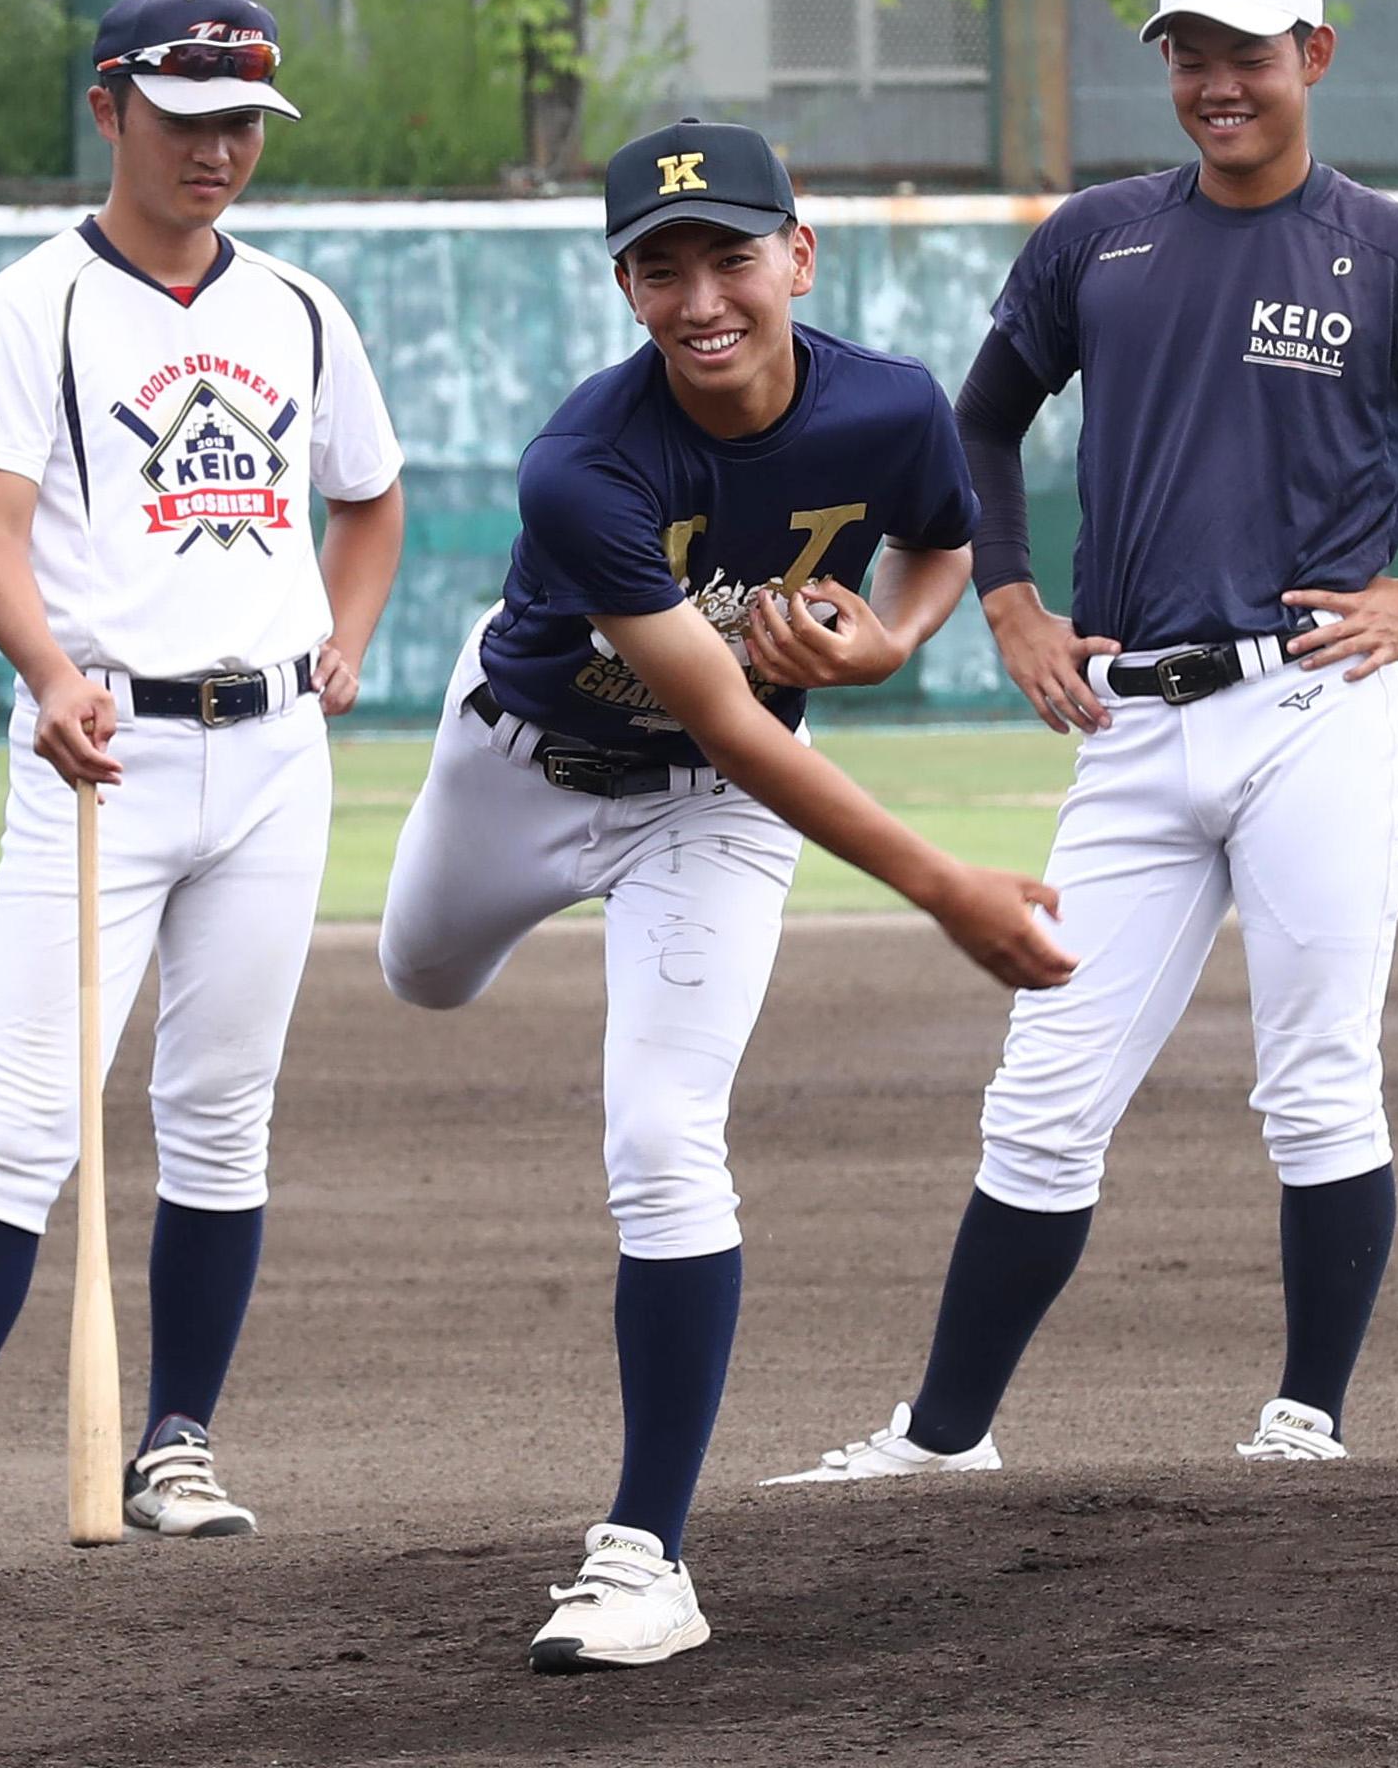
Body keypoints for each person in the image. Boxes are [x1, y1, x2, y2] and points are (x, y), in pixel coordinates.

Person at [763, 0, 1398, 1488]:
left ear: (1315, 58)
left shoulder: (1395, 254)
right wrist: (1006, 595)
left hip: (1316, 709)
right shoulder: (1098, 239)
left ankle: (1306, 1423)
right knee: (1045, 1090)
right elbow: (982, 423)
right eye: (1187, 54)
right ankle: (945, 1438)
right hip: (1134, 720)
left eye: (1248, 52)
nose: (1216, 83)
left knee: (1316, 1075)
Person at [378, 117, 1077, 1673]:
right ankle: (477, 922)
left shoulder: (891, 405)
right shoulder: (585, 463)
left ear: (798, 255)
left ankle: (645, 1559)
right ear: (625, 284)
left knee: (661, 1136)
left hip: (703, 822)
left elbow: (942, 544)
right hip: (517, 768)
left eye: (731, 254)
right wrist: (943, 886)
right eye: (659, 264)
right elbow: (725, 710)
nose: (701, 294)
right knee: (416, 975)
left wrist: (890, 644)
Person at [0, 0, 405, 1563]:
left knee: (222, 1116)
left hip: (272, 759)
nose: (217, 150)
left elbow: (365, 500)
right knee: (28, 1121)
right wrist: (47, 679)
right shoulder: (32, 303)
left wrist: (349, 635)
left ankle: (177, 1444)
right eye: (185, 119)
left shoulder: (300, 309)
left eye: (241, 121)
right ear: (109, 110)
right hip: (99, 752)